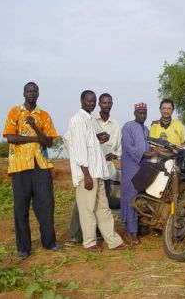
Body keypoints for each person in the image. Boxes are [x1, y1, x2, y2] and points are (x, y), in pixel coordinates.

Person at [2, 82, 59, 259]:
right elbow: (10, 137)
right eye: (29, 91)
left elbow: (49, 142)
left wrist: (35, 127)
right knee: (21, 207)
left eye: (35, 91)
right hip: (19, 166)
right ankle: (23, 248)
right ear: (24, 93)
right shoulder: (14, 112)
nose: (32, 93)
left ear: (38, 93)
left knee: (46, 205)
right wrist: (36, 138)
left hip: (40, 165)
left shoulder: (44, 115)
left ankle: (49, 243)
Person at [66, 90, 127, 252]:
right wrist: (86, 175)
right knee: (87, 210)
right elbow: (79, 149)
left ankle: (113, 241)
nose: (91, 103)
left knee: (103, 209)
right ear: (82, 101)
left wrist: (100, 138)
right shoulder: (77, 120)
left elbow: (91, 143)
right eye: (89, 101)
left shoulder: (91, 119)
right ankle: (89, 242)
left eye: (93, 101)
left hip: (99, 172)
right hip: (88, 174)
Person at [121, 103, 154, 245]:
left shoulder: (146, 129)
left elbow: (151, 146)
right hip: (131, 167)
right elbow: (129, 147)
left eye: (144, 113)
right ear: (135, 113)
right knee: (130, 198)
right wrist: (145, 154)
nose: (142, 115)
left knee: (141, 197)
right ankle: (131, 231)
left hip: (143, 168)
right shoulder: (128, 126)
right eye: (140, 113)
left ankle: (140, 227)